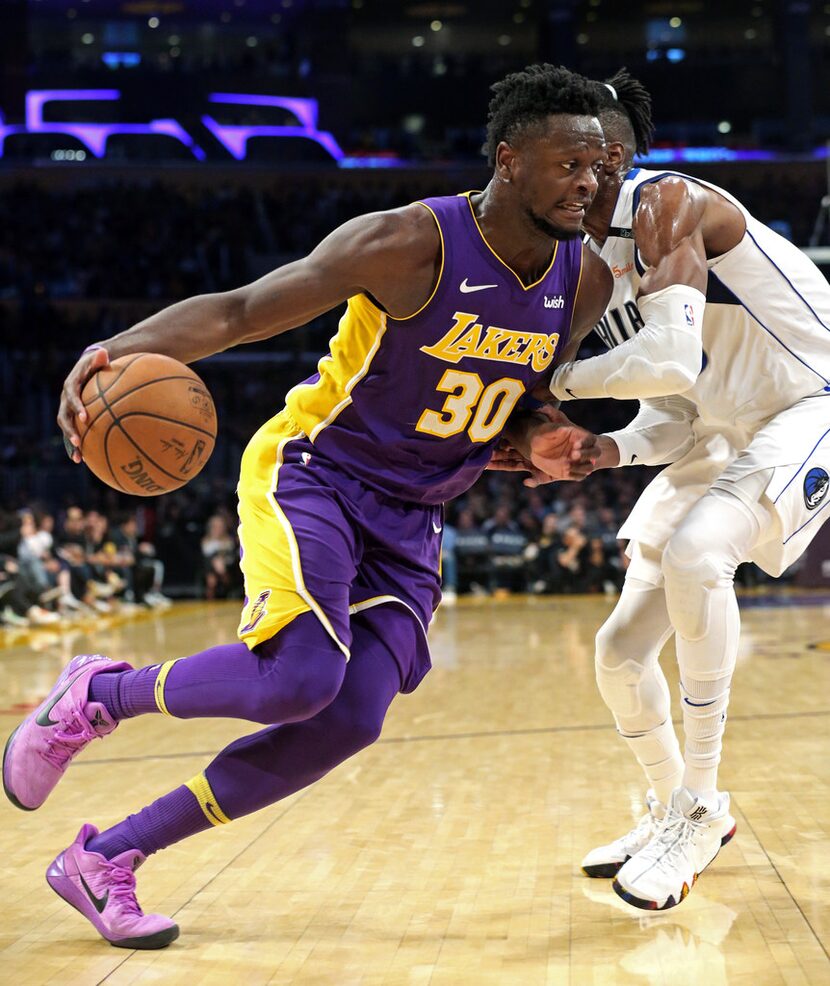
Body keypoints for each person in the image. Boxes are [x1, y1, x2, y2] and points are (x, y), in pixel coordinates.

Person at [3, 65, 611, 949]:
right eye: (568, 164)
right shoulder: (410, 243)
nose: (588, 183)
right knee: (298, 677)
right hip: (319, 472)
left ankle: (109, 858)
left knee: (351, 716)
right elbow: (243, 310)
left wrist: (546, 432)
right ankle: (100, 694)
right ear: (509, 160)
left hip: (416, 511)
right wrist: (112, 349)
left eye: (596, 168)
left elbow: (514, 392)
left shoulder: (581, 279)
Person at [508, 68, 830, 911]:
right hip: (729, 432)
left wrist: (554, 382)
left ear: (610, 156)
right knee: (617, 654)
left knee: (696, 557)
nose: (566, 177)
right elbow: (676, 413)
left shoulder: (669, 204)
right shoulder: (593, 256)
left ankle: (701, 806)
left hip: (812, 404)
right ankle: (669, 807)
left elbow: (671, 361)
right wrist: (600, 450)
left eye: (579, 157)